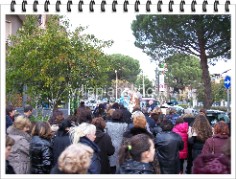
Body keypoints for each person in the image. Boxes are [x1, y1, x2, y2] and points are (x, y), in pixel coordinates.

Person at [105, 109, 128, 173]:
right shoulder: (125, 125)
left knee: (111, 164)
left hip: (110, 145)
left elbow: (106, 134)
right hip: (120, 145)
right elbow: (125, 136)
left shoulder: (108, 124)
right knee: (119, 162)